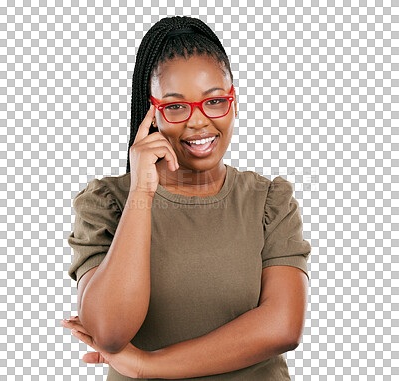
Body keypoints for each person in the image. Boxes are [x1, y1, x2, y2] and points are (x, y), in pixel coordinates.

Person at [61, 15, 312, 380]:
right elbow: (109, 332)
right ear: (150, 113)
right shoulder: (108, 203)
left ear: (234, 102)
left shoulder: (269, 201)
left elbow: (282, 327)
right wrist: (142, 191)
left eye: (214, 101)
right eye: (175, 106)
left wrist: (147, 365)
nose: (198, 122)